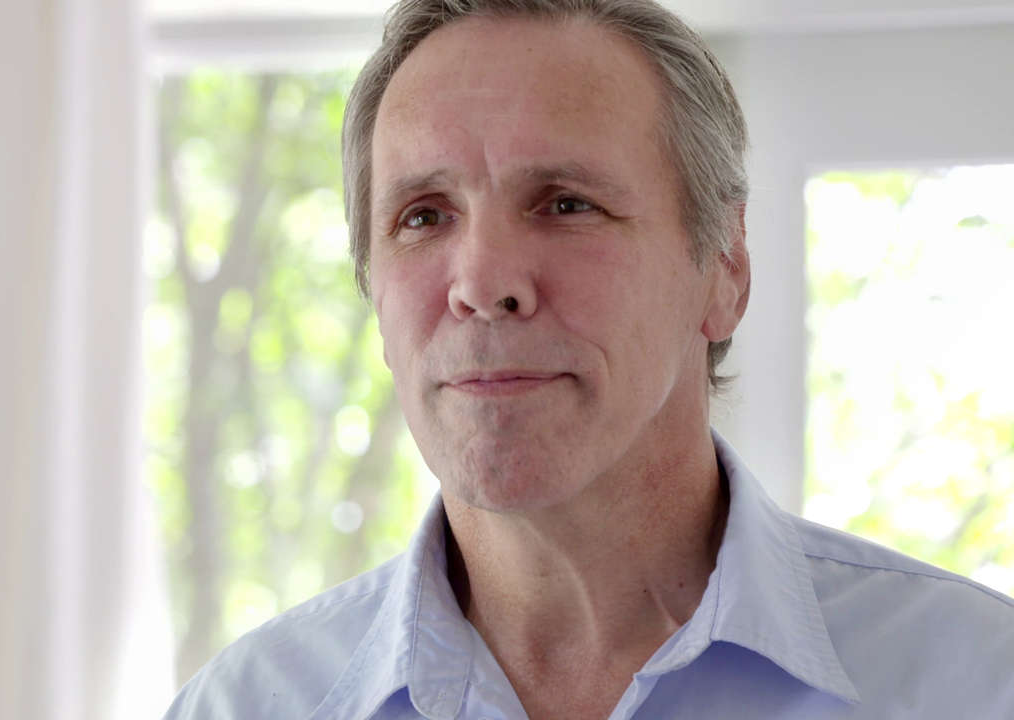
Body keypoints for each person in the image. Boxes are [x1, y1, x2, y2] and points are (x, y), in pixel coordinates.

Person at [164, 0, 1014, 717]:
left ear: (725, 267)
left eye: (566, 204)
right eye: (423, 216)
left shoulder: (978, 682)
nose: (483, 283)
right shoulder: (242, 706)